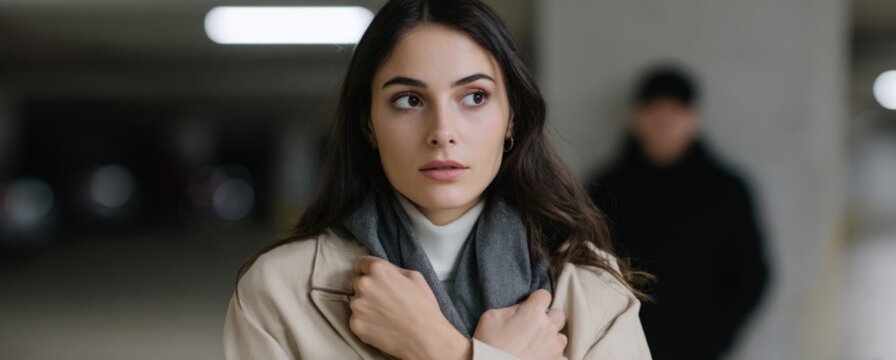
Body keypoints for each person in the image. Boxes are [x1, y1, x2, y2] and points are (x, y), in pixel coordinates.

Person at [223, 0, 652, 359]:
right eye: (409, 100)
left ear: (512, 120)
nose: (442, 130)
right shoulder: (280, 291)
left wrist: (439, 347)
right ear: (368, 124)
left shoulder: (591, 291)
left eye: (474, 97)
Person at [589, 67, 770, 359]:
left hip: (701, 350)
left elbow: (752, 275)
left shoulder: (726, 191)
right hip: (621, 349)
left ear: (694, 119)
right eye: (655, 113)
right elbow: (588, 272)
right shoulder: (605, 190)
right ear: (636, 118)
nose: (665, 123)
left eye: (675, 113)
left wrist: (717, 335)